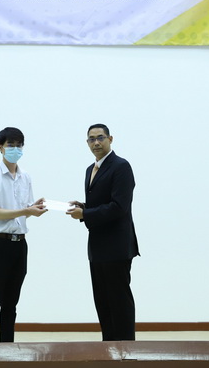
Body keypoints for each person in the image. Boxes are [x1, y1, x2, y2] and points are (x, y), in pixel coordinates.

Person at [67, 123, 139, 341]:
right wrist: (83, 207)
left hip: (116, 247)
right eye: (92, 139)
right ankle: (108, 348)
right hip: (97, 247)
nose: (96, 143)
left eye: (100, 138)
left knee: (119, 302)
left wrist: (85, 214)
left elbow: (119, 207)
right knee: (103, 302)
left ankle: (125, 350)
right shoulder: (91, 169)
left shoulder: (121, 166)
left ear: (110, 139)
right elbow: (100, 203)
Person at [0, 127, 46, 343]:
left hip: (20, 245)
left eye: (19, 145)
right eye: (10, 145)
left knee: (11, 302)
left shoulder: (25, 177)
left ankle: (7, 348)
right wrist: (26, 210)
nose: (15, 149)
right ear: (0, 147)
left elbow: (24, 210)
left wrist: (33, 208)